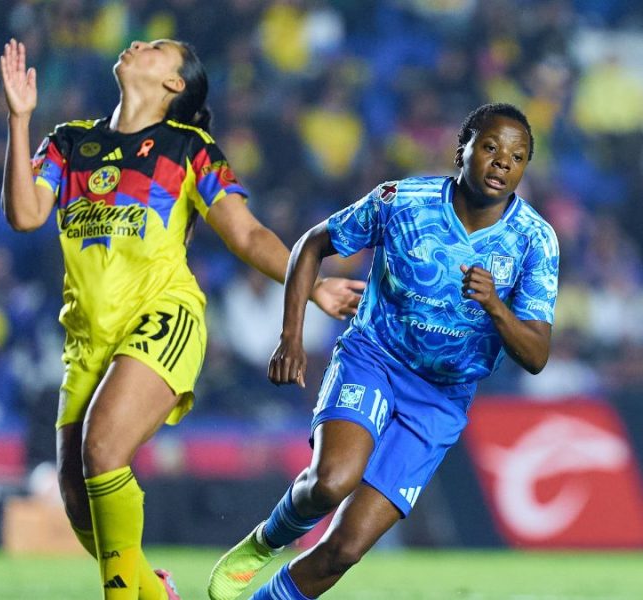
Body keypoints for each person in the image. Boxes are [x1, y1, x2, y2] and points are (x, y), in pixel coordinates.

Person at [0, 38, 364, 600]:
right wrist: (19, 119)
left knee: (103, 450)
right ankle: (155, 591)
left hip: (162, 316)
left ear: (175, 83)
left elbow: (247, 234)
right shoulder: (69, 142)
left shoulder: (188, 148)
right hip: (87, 337)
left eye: (155, 48)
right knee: (78, 500)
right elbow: (25, 215)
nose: (137, 44)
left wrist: (311, 286)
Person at [208, 103, 560, 600]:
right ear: (461, 150)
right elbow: (312, 245)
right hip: (374, 359)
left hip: (441, 397)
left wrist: (496, 307)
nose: (503, 161)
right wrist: (291, 337)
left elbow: (537, 355)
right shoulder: (403, 201)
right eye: (490, 147)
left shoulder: (535, 240)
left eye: (517, 156)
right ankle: (266, 540)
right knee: (331, 483)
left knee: (345, 549)